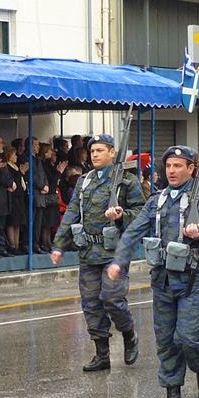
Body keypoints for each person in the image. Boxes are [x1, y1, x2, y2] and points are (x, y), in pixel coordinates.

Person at [108, 145, 199, 398]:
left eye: (178, 166)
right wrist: (119, 261)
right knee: (165, 341)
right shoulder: (156, 201)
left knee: (187, 338)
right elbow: (132, 232)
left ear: (191, 169)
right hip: (162, 279)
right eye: (169, 166)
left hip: (191, 277)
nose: (172, 171)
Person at [52, 134, 144, 371]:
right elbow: (72, 213)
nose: (94, 154)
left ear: (112, 153)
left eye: (100, 150)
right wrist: (59, 245)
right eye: (92, 151)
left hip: (114, 251)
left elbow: (142, 212)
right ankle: (101, 354)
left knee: (112, 299)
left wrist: (122, 215)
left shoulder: (126, 181)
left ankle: (128, 333)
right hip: (89, 250)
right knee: (91, 304)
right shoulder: (84, 181)